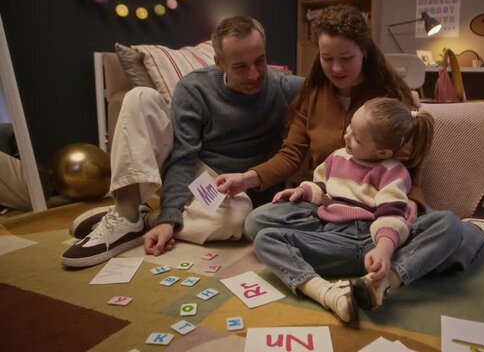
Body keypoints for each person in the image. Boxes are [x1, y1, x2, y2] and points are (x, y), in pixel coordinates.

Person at [216, 5, 484, 321]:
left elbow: (405, 168)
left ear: (364, 51)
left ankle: (400, 268)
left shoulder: (388, 97)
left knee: (447, 225)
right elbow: (291, 155)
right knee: (257, 223)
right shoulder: (311, 95)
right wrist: (249, 179)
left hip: (382, 206)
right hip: (331, 209)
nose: (335, 68)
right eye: (327, 58)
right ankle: (408, 257)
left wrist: (413, 206)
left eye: (346, 58)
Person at [61, 16, 304, 268]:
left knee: (237, 219)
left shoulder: (283, 86)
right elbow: (183, 158)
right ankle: (126, 212)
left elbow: (330, 83)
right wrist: (171, 214)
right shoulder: (194, 88)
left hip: (237, 187)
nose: (254, 74)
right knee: (139, 97)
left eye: (260, 61)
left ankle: (142, 220)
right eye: (241, 66)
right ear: (219, 63)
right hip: (201, 176)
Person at [253, 97, 434, 323]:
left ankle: (383, 275)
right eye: (349, 129)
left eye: (357, 138)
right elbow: (322, 186)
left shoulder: (392, 171)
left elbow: (390, 215)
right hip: (332, 238)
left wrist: (383, 251)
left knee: (444, 224)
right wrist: (303, 191)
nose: (347, 137)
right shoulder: (337, 156)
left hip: (372, 239)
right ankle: (329, 294)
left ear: (383, 153)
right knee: (263, 238)